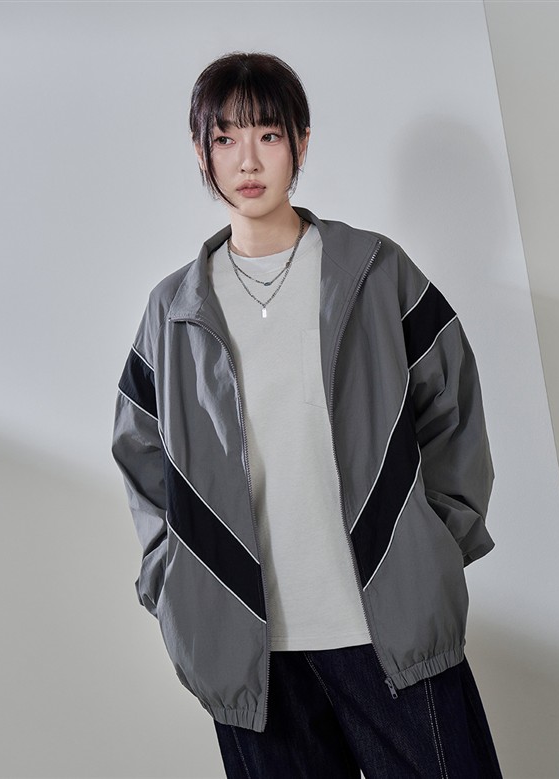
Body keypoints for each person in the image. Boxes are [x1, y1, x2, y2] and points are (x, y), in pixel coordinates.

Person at [112, 51, 503, 778]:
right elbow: (140, 458)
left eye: (267, 133)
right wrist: (174, 582)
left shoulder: (375, 271)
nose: (247, 159)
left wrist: (431, 550)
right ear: (200, 152)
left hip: (392, 634)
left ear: (301, 141)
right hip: (253, 660)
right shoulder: (172, 312)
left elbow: (454, 410)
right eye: (225, 138)